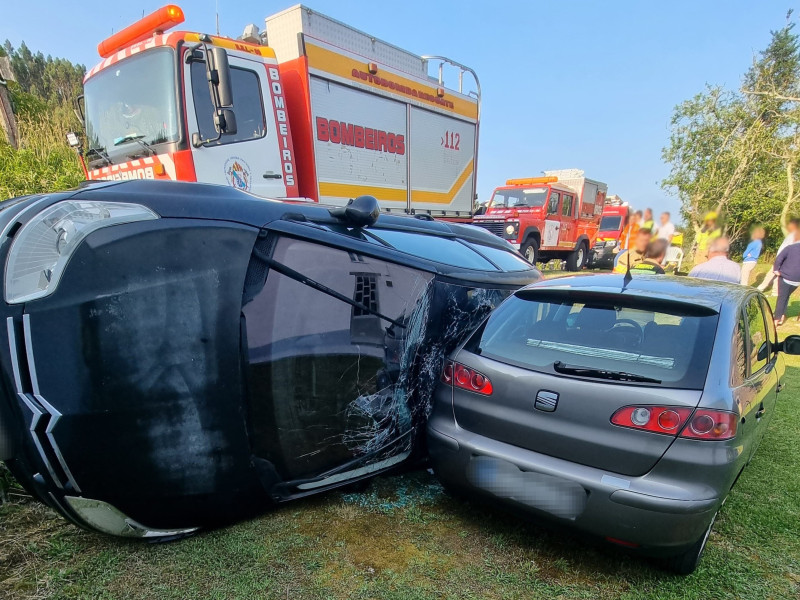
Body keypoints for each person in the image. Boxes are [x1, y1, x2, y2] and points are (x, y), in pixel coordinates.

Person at [758, 219, 799, 295]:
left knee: (774, 273)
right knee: (776, 274)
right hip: (785, 257)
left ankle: (764, 289)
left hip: (782, 256)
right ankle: (770, 291)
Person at [773, 240, 800, 325]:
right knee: (786, 296)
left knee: (782, 297)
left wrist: (776, 270)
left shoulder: (789, 248)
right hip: (797, 280)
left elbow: (779, 259)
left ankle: (776, 320)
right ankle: (782, 316)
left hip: (785, 276)